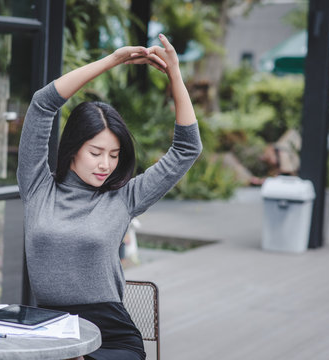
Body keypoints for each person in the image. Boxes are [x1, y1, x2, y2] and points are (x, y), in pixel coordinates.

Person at [17, 34, 202, 360]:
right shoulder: (37, 189)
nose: (106, 164)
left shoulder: (124, 198)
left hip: (111, 338)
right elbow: (42, 104)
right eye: (96, 152)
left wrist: (175, 74)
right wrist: (112, 61)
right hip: (50, 330)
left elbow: (187, 148)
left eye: (114, 155)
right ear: (73, 149)